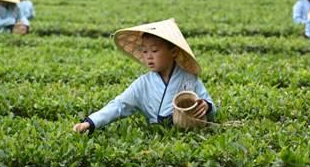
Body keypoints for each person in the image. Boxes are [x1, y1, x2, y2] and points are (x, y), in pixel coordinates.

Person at [72, 19, 215, 133]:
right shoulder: (142, 84)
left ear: (173, 51)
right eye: (145, 52)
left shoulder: (189, 78)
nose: (149, 57)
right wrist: (90, 123)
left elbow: (208, 104)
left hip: (188, 135)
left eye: (154, 50)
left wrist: (206, 106)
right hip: (156, 140)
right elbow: (119, 105)